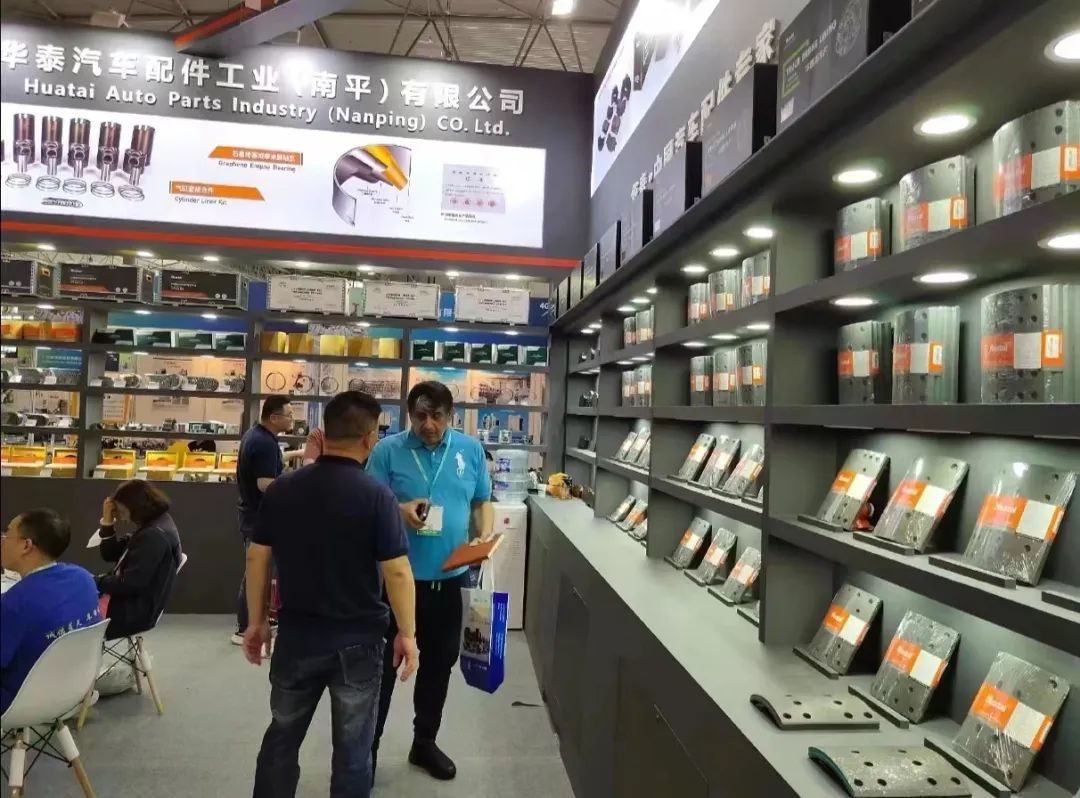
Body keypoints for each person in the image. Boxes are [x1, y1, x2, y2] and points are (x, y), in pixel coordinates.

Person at [243, 391, 419, 798]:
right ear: (369, 439)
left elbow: (257, 557)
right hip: (358, 640)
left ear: (324, 432)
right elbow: (396, 570)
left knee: (282, 738)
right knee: (354, 750)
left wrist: (256, 622)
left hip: (297, 636)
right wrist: (407, 633)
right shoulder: (377, 496)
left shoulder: (283, 490)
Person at [366, 380, 495, 781]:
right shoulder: (387, 451)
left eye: (437, 416)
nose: (428, 424)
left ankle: (424, 743)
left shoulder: (470, 450)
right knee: (382, 671)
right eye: (420, 416)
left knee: (439, 666)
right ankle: (365, 752)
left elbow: (482, 501)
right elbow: (367, 503)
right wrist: (398, 509)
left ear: (450, 415)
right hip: (395, 582)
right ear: (409, 415)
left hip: (449, 582)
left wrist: (483, 534)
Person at [1, 509, 101, 713]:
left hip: (20, 701)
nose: (2, 541)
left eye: (7, 535)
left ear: (26, 545)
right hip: (75, 689)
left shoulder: (15, 603)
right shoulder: (82, 578)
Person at [233, 396, 302, 645]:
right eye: (289, 415)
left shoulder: (258, 436)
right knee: (257, 572)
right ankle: (245, 626)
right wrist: (296, 485)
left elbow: (273, 461)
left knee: (257, 570)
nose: (292, 420)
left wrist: (298, 453)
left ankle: (254, 621)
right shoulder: (264, 443)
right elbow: (264, 483)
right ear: (274, 417)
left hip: (251, 514)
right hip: (258, 517)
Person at [95, 480, 182, 640]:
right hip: (137, 605)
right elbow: (110, 554)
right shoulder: (158, 523)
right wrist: (107, 521)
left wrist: (93, 581)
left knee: (67, 612)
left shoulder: (153, 536)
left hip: (129, 614)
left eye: (121, 510)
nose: (120, 516)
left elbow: (130, 583)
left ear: (135, 507)